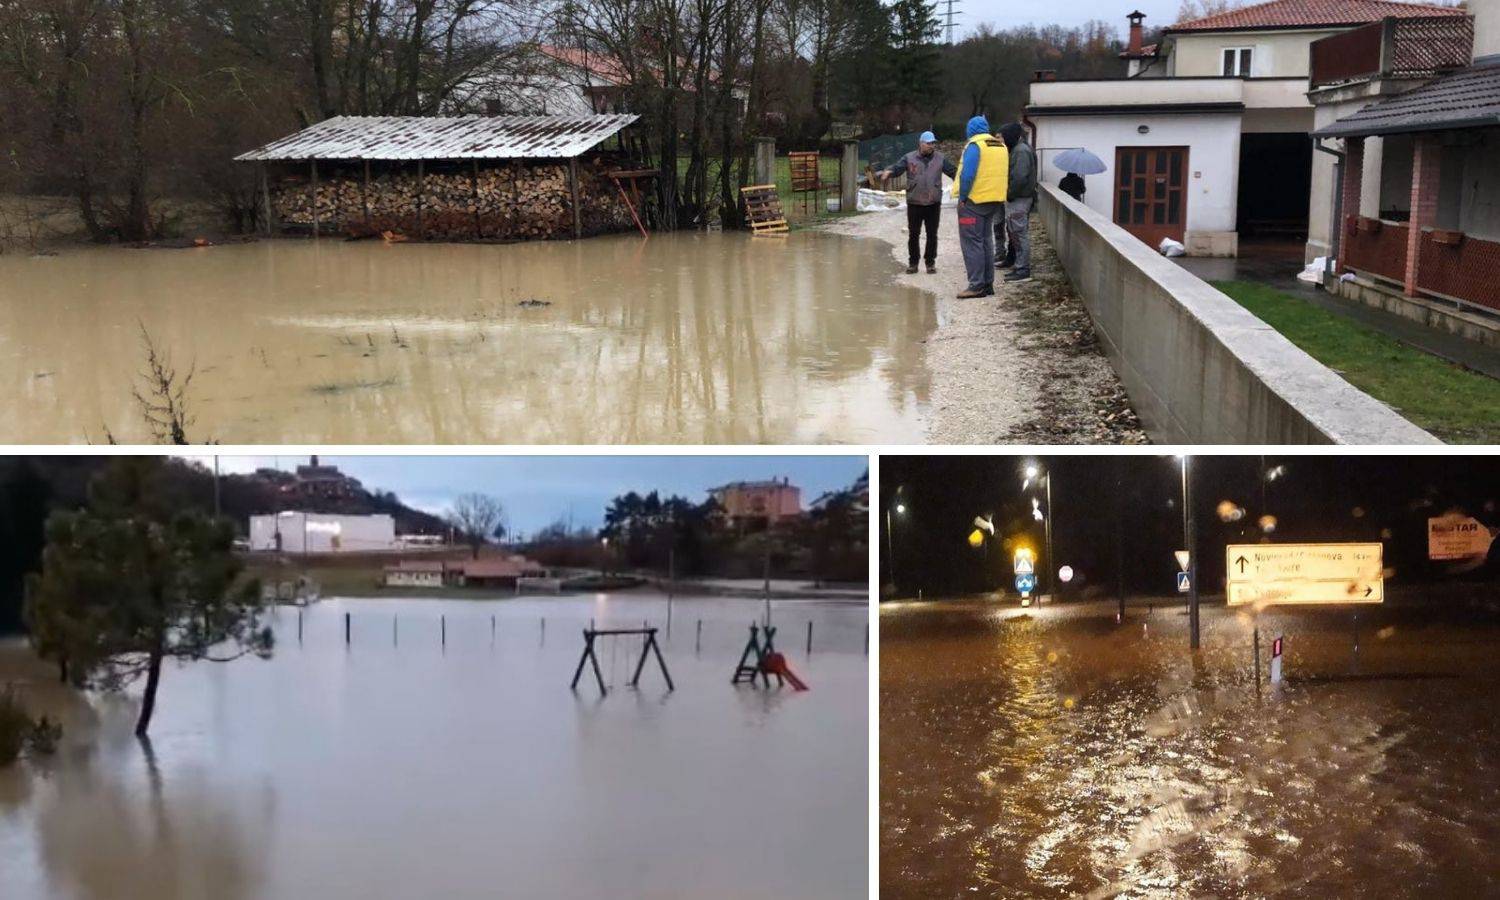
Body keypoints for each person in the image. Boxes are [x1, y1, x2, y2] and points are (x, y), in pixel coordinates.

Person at [878, 131, 956, 274]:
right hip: (915, 201)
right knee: (914, 234)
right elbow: (897, 168)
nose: (932, 146)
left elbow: (953, 172)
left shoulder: (940, 158)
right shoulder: (909, 158)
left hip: (933, 202)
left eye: (933, 143)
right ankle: (913, 263)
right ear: (921, 143)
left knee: (932, 234)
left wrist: (963, 182)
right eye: (929, 143)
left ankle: (930, 263)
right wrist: (888, 171)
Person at [952, 115, 1008, 299]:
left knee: (972, 242)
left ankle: (976, 285)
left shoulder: (975, 146)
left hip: (974, 201)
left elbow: (967, 175)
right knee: (985, 241)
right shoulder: (1000, 146)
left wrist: (963, 197)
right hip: (994, 201)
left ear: (970, 130)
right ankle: (987, 284)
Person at [998, 122, 1036, 284]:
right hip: (1020, 197)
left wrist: (1009, 194)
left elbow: (1019, 177)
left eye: (1003, 137)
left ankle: (1023, 269)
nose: (1002, 141)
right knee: (1016, 232)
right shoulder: (1020, 149)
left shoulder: (1020, 151)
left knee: (1019, 234)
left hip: (1019, 198)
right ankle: (1019, 266)